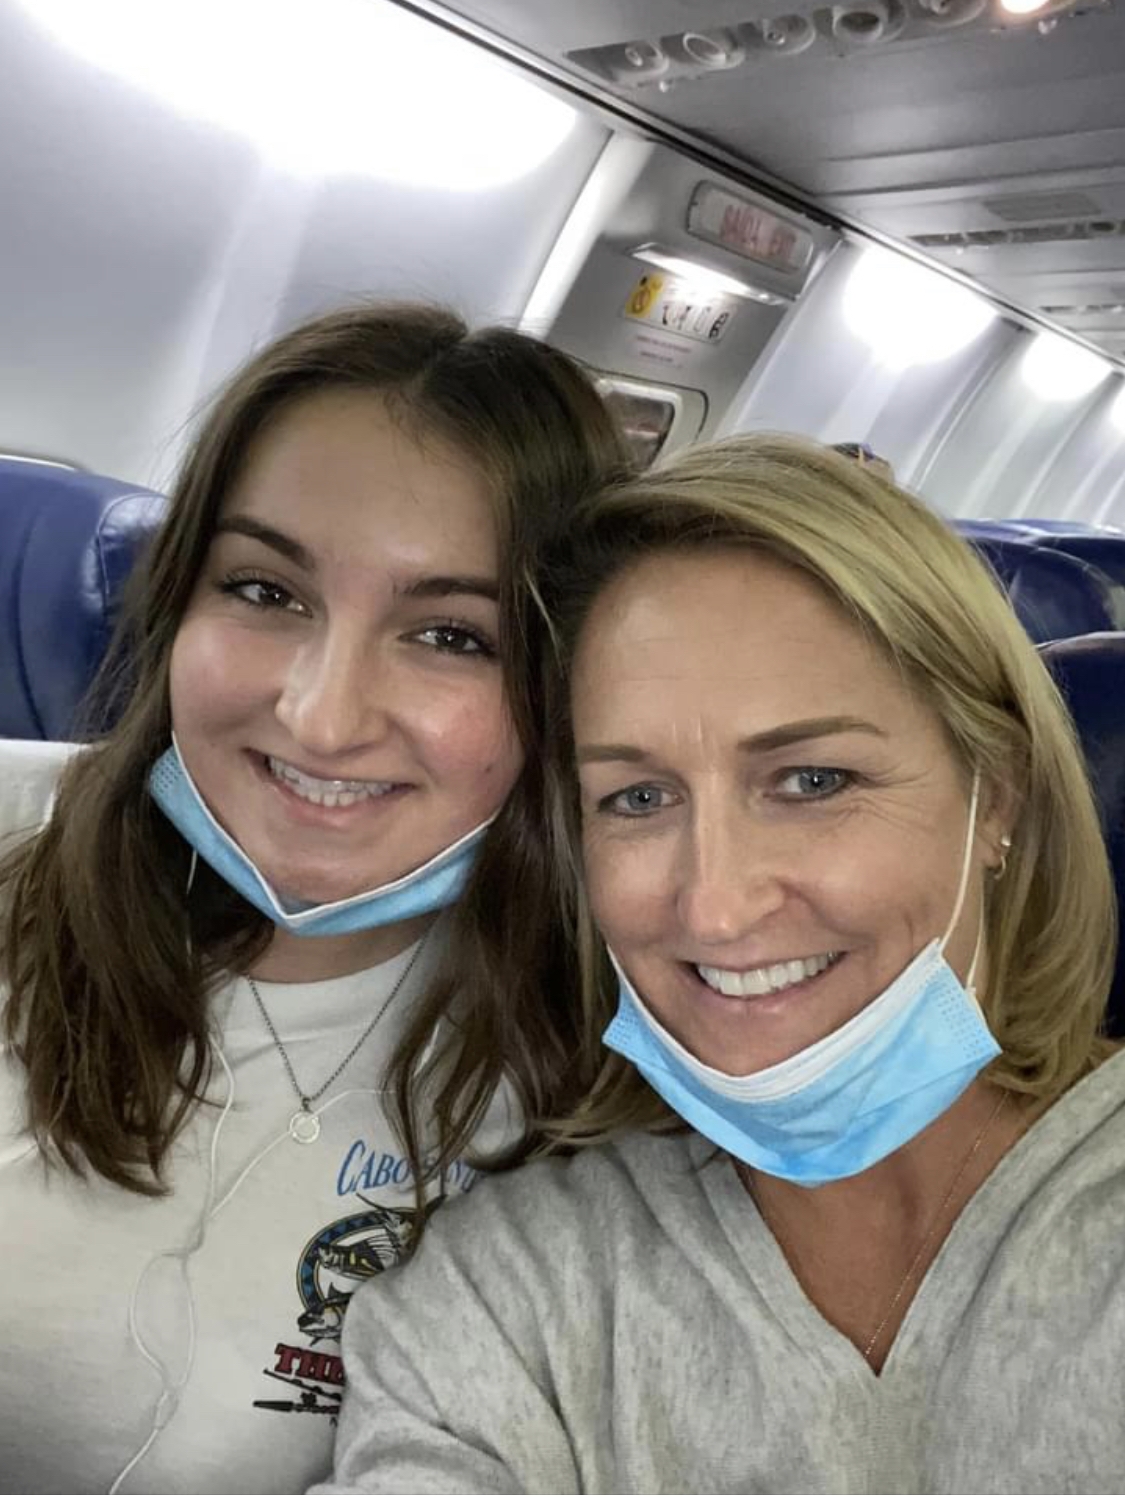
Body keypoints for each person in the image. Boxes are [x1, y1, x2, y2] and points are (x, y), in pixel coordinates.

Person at [323, 433, 1125, 1494]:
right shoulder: (506, 1297)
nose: (714, 904)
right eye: (638, 798)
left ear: (998, 799)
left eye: (812, 781)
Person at [0, 303, 627, 1495]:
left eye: (452, 636)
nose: (322, 717)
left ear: (563, 685)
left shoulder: (582, 1075)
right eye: (266, 591)